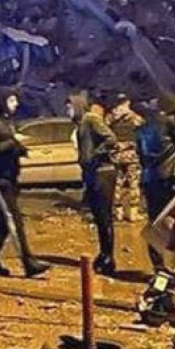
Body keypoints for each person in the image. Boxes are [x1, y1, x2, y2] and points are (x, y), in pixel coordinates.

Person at [0, 87, 48, 278]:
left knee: (3, 223)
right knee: (14, 220)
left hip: (10, 177)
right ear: (1, 102)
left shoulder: (6, 121)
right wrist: (13, 142)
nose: (15, 104)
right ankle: (28, 262)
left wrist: (20, 149)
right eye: (11, 100)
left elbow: (8, 145)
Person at [68, 93, 118, 276]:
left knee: (104, 217)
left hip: (102, 172)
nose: (68, 110)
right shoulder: (82, 123)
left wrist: (96, 154)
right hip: (91, 173)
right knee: (99, 217)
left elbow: (111, 138)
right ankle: (104, 254)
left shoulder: (91, 119)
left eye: (69, 107)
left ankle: (108, 257)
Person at [137, 91, 175, 222]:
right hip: (171, 171)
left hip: (150, 173)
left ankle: (155, 234)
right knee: (171, 211)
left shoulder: (145, 124)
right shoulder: (170, 122)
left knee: (155, 213)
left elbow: (140, 150)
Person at [107, 93, 144, 223]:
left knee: (118, 183)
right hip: (131, 155)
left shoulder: (110, 117)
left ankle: (119, 213)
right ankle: (133, 213)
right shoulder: (133, 117)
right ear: (126, 103)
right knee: (133, 183)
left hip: (116, 155)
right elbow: (142, 125)